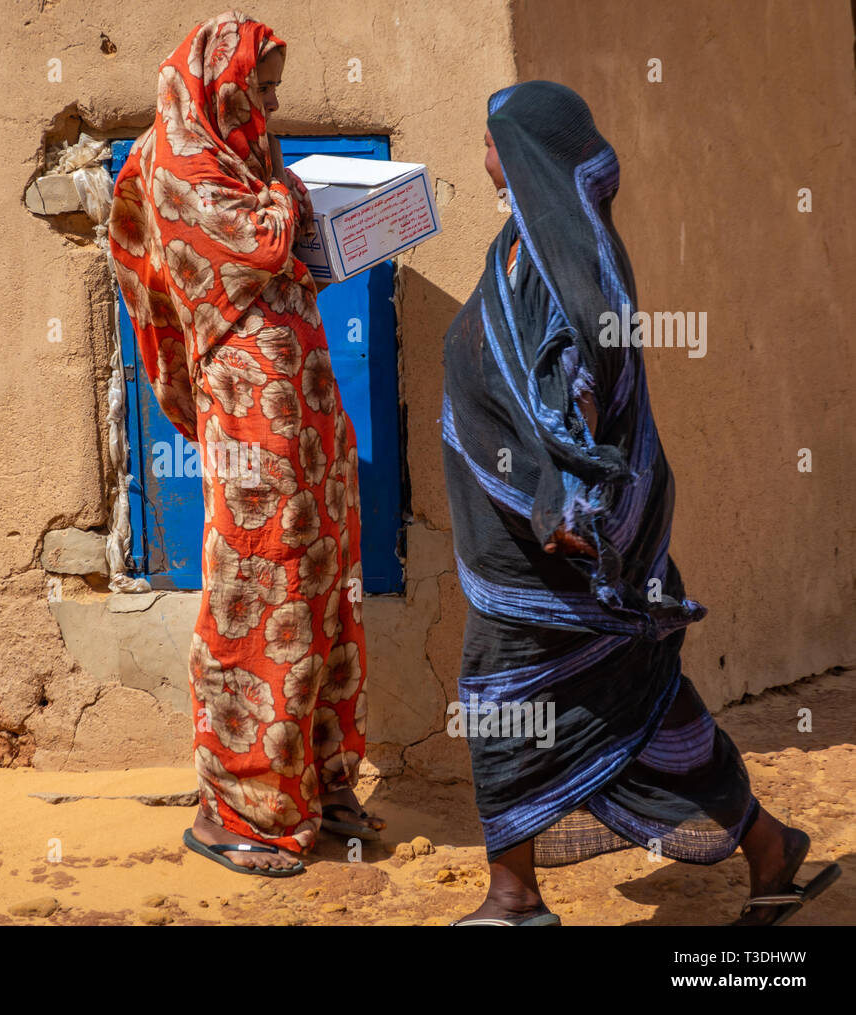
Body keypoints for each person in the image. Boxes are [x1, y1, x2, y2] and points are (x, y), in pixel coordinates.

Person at [440, 80, 840, 925]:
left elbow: (579, 383)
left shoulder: (573, 265)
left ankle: (514, 895)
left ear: (526, 153)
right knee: (639, 707)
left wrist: (575, 510)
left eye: (490, 141)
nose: (482, 157)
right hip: (516, 547)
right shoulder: (520, 247)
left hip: (566, 549)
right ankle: (768, 846)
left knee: (521, 693)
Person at [107, 10, 384, 876]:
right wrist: (304, 197)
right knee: (260, 590)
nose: (266, 107)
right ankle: (237, 807)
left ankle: (314, 778)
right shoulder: (178, 162)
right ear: (215, 85)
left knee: (323, 582)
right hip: (250, 428)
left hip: (303, 416)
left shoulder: (240, 159)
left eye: (270, 92)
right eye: (256, 90)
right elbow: (257, 241)